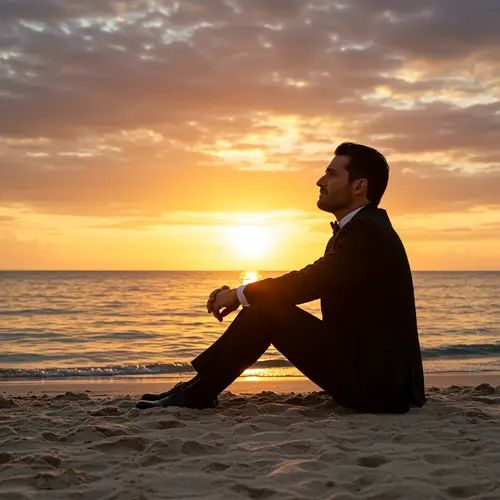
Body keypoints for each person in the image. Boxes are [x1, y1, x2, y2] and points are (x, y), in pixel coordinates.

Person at [137, 142, 426, 413]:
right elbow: (311, 276)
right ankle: (197, 389)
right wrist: (243, 293)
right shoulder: (361, 228)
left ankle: (198, 393)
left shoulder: (367, 233)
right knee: (265, 306)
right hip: (371, 374)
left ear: (359, 186)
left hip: (380, 386)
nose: (320, 181)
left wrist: (239, 295)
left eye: (331, 173)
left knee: (266, 311)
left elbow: (307, 283)